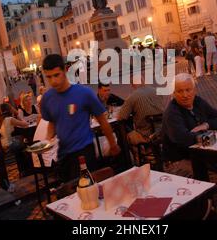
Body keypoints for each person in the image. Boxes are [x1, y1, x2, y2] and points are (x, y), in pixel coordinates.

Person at [161, 73, 217, 220]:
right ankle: (215, 215)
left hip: (201, 156)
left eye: (188, 90)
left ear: (195, 90)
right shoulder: (172, 112)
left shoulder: (198, 102)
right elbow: (183, 139)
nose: (185, 95)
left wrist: (205, 125)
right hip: (178, 162)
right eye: (179, 91)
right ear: (173, 93)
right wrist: (206, 134)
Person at [40, 54, 120, 182]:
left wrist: (113, 144)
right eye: (49, 77)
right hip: (63, 153)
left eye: (56, 75)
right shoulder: (47, 98)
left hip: (84, 151)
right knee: (69, 193)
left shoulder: (84, 93)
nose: (53, 81)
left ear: (65, 70)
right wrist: (47, 140)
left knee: (89, 191)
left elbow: (102, 120)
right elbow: (52, 122)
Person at [117, 75, 165, 148]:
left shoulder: (132, 97)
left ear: (132, 85)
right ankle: (152, 154)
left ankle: (141, 157)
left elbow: (120, 117)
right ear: (144, 81)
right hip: (163, 130)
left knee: (126, 136)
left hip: (146, 135)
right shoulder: (157, 91)